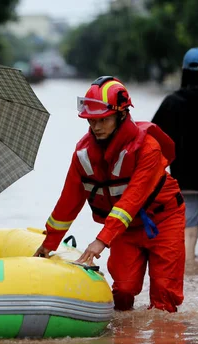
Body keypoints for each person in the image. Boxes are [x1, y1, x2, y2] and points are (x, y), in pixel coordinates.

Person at [34, 76, 186, 312]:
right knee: (123, 292)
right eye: (92, 121)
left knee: (164, 300)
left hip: (163, 221)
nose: (96, 127)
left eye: (103, 120)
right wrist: (49, 242)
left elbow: (132, 199)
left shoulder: (148, 149)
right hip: (124, 228)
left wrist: (101, 241)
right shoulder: (83, 153)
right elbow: (68, 202)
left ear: (122, 114)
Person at [152, 47, 198, 262]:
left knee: (188, 233)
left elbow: (154, 137)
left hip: (183, 179)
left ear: (184, 72)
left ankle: (187, 282)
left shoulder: (171, 102)